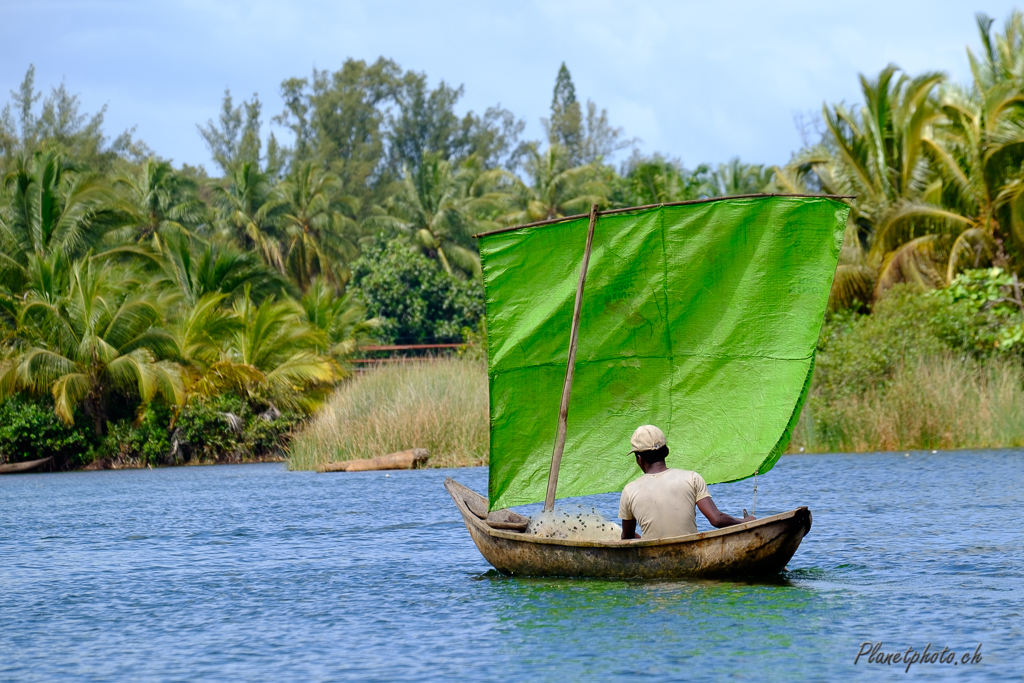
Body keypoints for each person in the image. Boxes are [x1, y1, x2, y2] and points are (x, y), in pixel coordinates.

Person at [619, 425, 755, 540]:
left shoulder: (629, 490)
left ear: (639, 459)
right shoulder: (692, 478)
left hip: (653, 557)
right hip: (693, 553)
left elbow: (627, 538)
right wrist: (745, 522)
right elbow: (716, 519)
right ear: (666, 451)